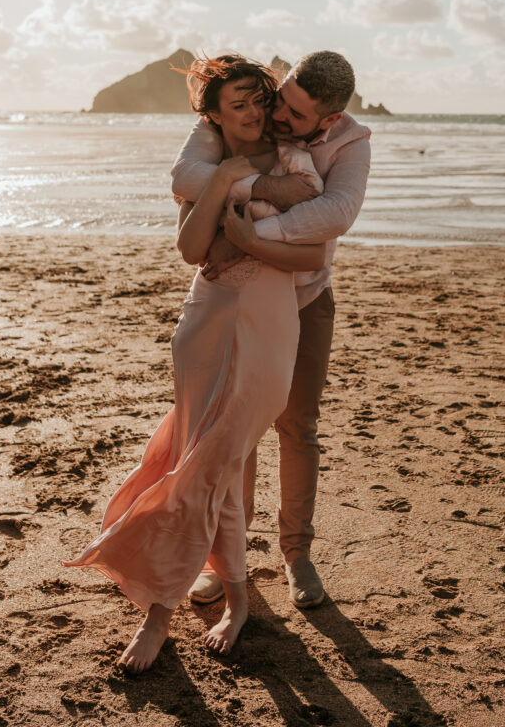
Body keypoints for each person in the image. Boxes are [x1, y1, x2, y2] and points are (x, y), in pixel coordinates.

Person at [62, 55, 328, 672]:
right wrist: (223, 182)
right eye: (239, 104)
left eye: (259, 99)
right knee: (204, 462)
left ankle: (167, 609)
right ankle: (229, 600)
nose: (256, 112)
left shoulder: (294, 162)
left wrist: (245, 221)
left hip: (267, 326)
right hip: (205, 321)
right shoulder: (206, 169)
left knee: (210, 464)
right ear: (213, 114)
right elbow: (190, 249)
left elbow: (312, 248)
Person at [171, 50, 371, 610]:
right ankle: (229, 561)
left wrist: (248, 239)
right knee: (239, 429)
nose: (277, 116)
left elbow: (334, 215)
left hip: (306, 298)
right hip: (241, 298)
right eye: (279, 99)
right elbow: (184, 176)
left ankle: (296, 554)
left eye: (296, 115)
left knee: (297, 427)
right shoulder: (239, 118)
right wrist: (256, 183)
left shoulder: (350, 144)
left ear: (327, 121)